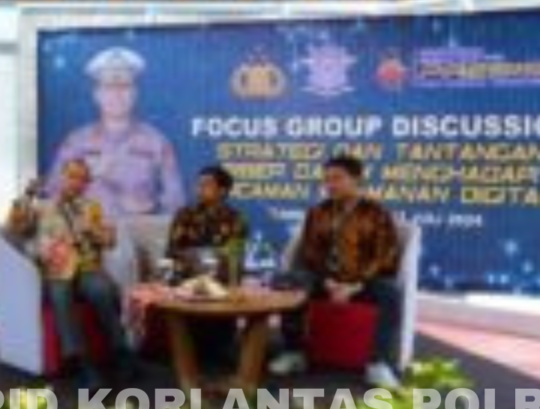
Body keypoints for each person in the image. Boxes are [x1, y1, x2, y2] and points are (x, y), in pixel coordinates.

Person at [270, 155, 404, 387]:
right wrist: (327, 282)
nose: (330, 185)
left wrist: (354, 285)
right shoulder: (318, 212)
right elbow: (310, 253)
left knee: (390, 291)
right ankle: (294, 352)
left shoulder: (377, 213)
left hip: (363, 283)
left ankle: (378, 364)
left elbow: (385, 257)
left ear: (357, 179)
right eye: (327, 180)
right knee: (288, 280)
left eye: (337, 178)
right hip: (325, 280)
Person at [7, 159, 132, 386]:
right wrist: (27, 195)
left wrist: (93, 232)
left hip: (87, 268)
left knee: (102, 291)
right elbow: (15, 227)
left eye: (83, 179)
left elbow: (110, 241)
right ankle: (83, 364)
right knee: (60, 294)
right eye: (72, 176)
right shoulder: (41, 207)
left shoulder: (92, 207)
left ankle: (122, 353)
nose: (77, 183)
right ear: (61, 177)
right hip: (56, 271)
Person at [47, 47, 184, 219]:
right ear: (96, 94)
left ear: (135, 93)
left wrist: (155, 227)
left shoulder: (156, 142)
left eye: (124, 87)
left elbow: (175, 200)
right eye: (109, 87)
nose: (117, 94)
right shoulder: (76, 143)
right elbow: (53, 193)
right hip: (89, 230)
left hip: (140, 231)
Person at [165, 165, 250, 369]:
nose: (200, 189)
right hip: (187, 274)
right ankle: (189, 350)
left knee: (223, 282)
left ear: (222, 190)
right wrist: (190, 265)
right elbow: (172, 250)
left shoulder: (236, 218)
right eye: (199, 184)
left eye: (206, 185)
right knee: (183, 280)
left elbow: (234, 254)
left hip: (220, 275)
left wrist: (208, 263)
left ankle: (221, 348)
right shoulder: (185, 214)